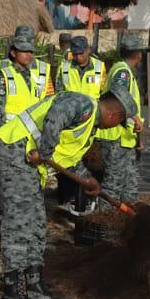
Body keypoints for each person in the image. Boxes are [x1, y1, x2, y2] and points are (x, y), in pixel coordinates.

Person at [0, 90, 127, 299]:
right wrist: (44, 152)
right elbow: (55, 116)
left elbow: (68, 158)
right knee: (19, 223)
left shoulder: (88, 127)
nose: (114, 127)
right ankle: (12, 293)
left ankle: (34, 287)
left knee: (36, 224)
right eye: (119, 123)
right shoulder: (84, 104)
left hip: (30, 164)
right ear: (114, 114)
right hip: (15, 152)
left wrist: (87, 179)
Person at [0, 25, 52, 234]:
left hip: (30, 140)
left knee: (2, 180)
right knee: (6, 183)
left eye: (31, 51)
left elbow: (47, 103)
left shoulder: (40, 74)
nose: (29, 55)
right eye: (24, 51)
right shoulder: (4, 76)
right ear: (13, 52)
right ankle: (0, 226)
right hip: (9, 141)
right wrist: (8, 141)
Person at [57, 35, 106, 215]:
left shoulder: (100, 68)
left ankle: (90, 201)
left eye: (81, 53)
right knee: (68, 164)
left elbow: (104, 95)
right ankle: (68, 199)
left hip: (93, 127)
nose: (78, 57)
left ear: (89, 51)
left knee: (94, 165)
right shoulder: (64, 69)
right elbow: (58, 97)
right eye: (75, 53)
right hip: (71, 129)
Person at [96, 35, 146, 204]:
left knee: (129, 185)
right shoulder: (123, 72)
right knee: (113, 186)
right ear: (138, 54)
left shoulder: (124, 70)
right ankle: (105, 223)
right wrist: (135, 117)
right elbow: (118, 95)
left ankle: (126, 221)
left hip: (126, 139)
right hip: (115, 138)